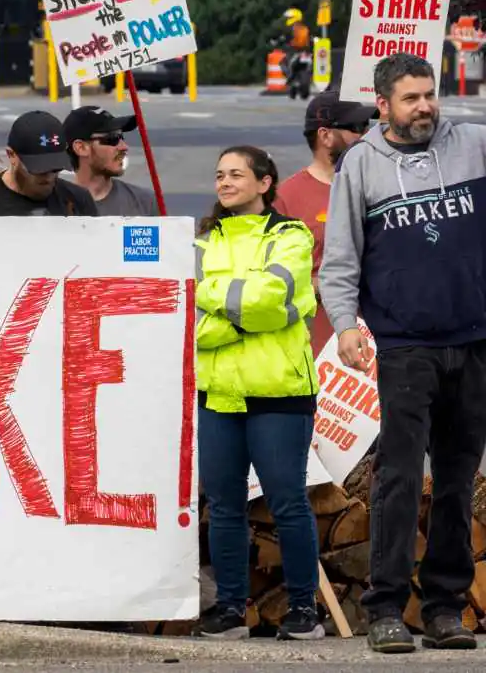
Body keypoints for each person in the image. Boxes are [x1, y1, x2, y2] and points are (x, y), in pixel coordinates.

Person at [320, 53, 486, 653]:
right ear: (383, 103)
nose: (424, 107)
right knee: (397, 475)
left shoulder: (473, 145)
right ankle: (385, 607)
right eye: (411, 98)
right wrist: (345, 325)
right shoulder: (361, 166)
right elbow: (339, 260)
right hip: (404, 345)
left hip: (473, 340)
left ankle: (443, 608)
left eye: (429, 95)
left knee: (456, 478)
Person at [193, 145, 321, 641]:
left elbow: (277, 300)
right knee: (224, 506)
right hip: (219, 393)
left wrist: (220, 306)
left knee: (288, 502)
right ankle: (229, 608)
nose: (224, 183)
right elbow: (195, 317)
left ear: (265, 183)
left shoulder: (293, 236)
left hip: (278, 392)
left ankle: (304, 609)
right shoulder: (204, 242)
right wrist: (245, 319)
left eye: (236, 174)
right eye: (219, 174)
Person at [274, 92, 377, 356]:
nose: (365, 134)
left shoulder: (381, 187)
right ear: (325, 135)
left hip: (382, 342)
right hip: (317, 347)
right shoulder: (287, 198)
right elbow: (270, 279)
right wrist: (328, 284)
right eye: (356, 128)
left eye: (367, 126)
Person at [0, 111, 97, 217]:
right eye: (38, 169)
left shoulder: (78, 200)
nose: (48, 176)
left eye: (55, 168)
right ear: (12, 156)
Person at [62, 105, 159, 216]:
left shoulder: (145, 203)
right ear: (81, 148)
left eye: (121, 137)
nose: (124, 147)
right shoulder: (56, 209)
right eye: (112, 139)